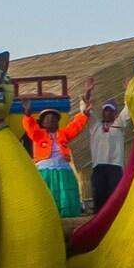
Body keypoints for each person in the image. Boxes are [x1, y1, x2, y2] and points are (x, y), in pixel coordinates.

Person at [24, 89, 90, 218]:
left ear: (57, 122)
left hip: (63, 168)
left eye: (53, 118)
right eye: (46, 118)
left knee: (65, 193)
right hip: (45, 169)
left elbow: (76, 126)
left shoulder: (64, 134)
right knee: (47, 193)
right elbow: (30, 127)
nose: (50, 120)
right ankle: (46, 216)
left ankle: (67, 218)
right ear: (42, 123)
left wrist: (84, 114)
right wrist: (27, 114)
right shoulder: (38, 135)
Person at [87, 99, 133, 212]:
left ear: (115, 113)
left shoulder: (119, 124)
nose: (108, 113)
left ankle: (115, 220)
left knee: (114, 197)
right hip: (98, 167)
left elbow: (128, 109)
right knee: (99, 196)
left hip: (115, 166)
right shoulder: (95, 126)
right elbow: (87, 111)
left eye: (111, 111)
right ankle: (98, 221)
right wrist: (87, 92)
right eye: (106, 110)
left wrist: (128, 93)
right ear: (102, 112)